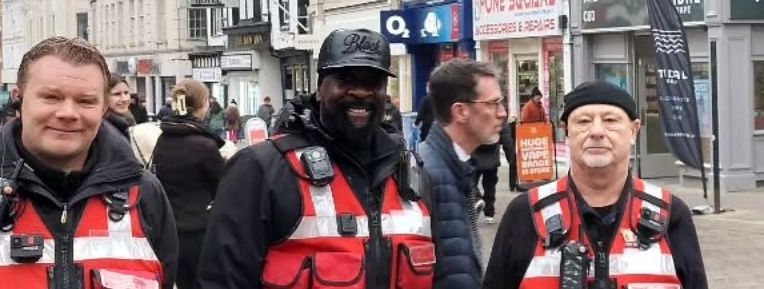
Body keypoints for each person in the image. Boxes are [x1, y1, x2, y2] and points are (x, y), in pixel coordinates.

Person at [0, 36, 179, 289]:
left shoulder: (143, 195)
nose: (68, 112)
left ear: (103, 108)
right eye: (51, 97)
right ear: (19, 100)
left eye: (85, 101)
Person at [197, 29, 436, 289]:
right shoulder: (261, 169)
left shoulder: (411, 173)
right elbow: (221, 280)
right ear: (320, 89)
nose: (360, 92)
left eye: (372, 82)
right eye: (345, 80)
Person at [483, 81, 707, 289]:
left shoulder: (670, 214)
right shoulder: (525, 213)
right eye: (583, 121)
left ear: (634, 131)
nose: (597, 132)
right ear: (566, 131)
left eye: (610, 120)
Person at [418, 59, 508, 289]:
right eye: (493, 103)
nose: (502, 113)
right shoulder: (426, 173)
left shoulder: (456, 165)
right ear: (461, 111)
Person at [153, 79, 225, 289]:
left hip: (169, 229)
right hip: (200, 230)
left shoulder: (163, 139)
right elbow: (221, 188)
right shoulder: (205, 145)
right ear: (203, 105)